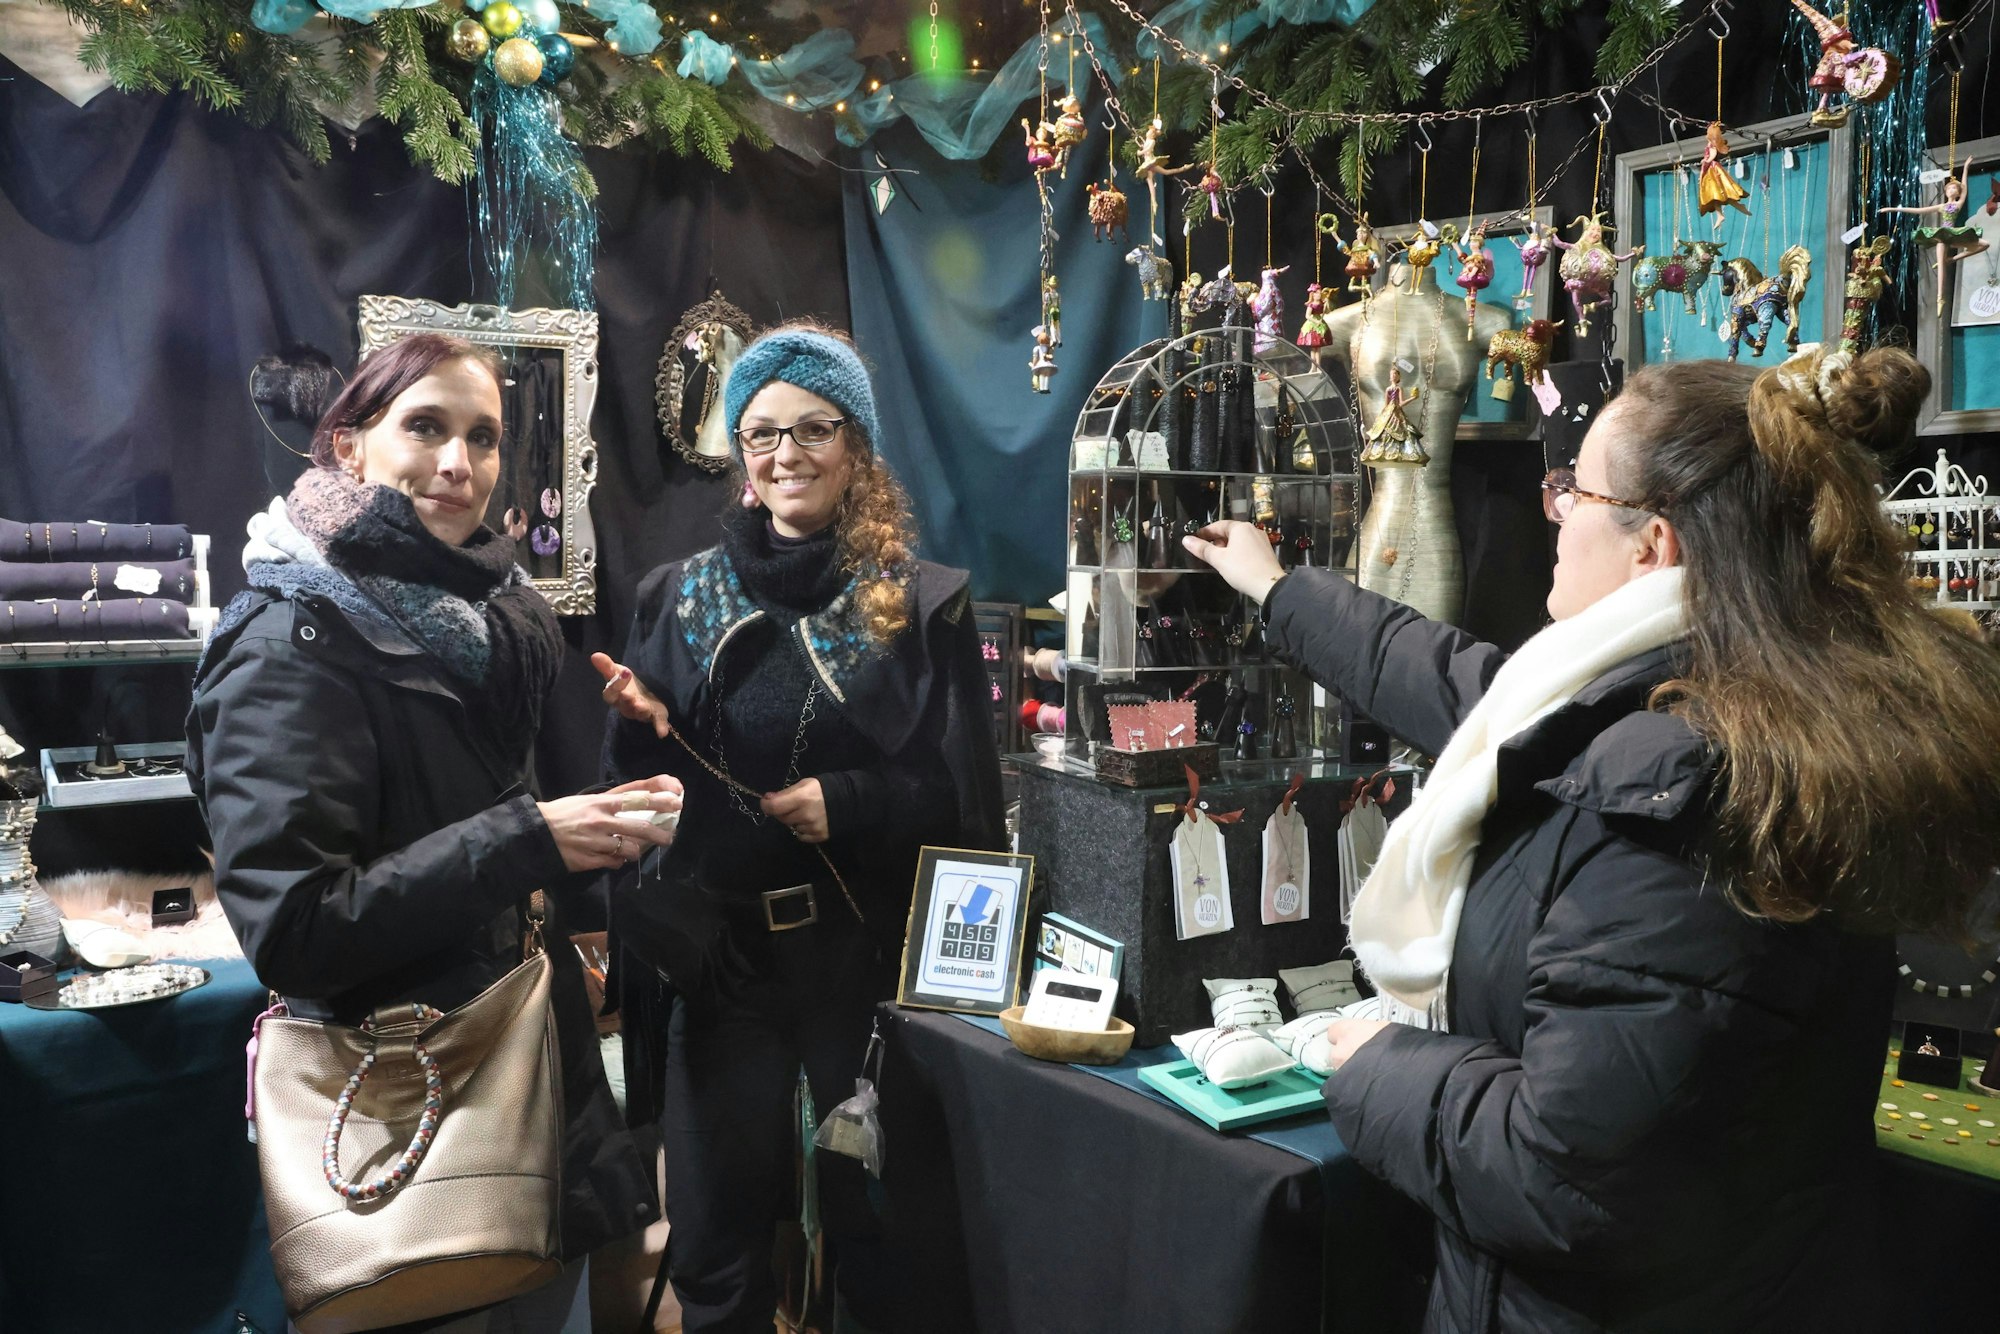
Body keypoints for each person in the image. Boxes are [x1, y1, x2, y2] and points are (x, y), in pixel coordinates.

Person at [1184, 344, 2000, 1332]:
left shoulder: (1684, 794)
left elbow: (1569, 1176)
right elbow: (1454, 682)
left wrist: (1373, 1062)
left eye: (1574, 488)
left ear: (1651, 543)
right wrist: (1279, 587)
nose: (1556, 510)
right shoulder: (1702, 699)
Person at [188, 331, 682, 1332]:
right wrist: (528, 841)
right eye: (425, 427)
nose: (459, 463)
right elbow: (295, 929)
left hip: (529, 1071)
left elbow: (479, 821)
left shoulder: (492, 621)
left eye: (483, 437)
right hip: (404, 1102)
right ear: (349, 444)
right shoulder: (291, 641)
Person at [594, 323, 1004, 1333]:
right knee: (714, 1246)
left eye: (814, 429)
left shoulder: (918, 606)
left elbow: (961, 803)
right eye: (763, 432)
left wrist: (852, 800)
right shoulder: (676, 597)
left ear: (855, 447)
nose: (786, 454)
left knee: (883, 1236)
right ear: (742, 451)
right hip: (721, 966)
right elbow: (637, 798)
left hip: (859, 964)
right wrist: (643, 731)